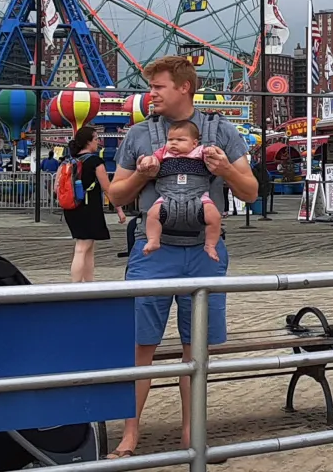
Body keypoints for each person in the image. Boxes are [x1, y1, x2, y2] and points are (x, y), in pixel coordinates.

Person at [107, 56, 257, 458]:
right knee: (141, 345)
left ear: (184, 87)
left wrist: (224, 169)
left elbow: (250, 192)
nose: (150, 94)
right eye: (151, 87)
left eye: (157, 87)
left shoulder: (221, 131)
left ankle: (193, 433)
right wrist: (142, 175)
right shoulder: (139, 134)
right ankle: (130, 434)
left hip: (205, 253)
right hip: (152, 250)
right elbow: (117, 196)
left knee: (197, 349)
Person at [143, 119, 222, 262]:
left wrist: (211, 151)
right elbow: (152, 158)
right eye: (170, 139)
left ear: (194, 143)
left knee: (214, 216)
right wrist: (147, 161)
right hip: (168, 196)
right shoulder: (163, 153)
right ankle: (153, 239)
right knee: (152, 214)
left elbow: (211, 156)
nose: (173, 143)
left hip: (199, 196)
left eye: (180, 140)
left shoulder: (199, 152)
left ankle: (210, 245)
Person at [62, 126, 125, 283]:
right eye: (96, 139)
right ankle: (75, 286)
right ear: (88, 142)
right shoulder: (95, 162)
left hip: (72, 207)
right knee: (82, 248)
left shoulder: (69, 161)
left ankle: (89, 283)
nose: (98, 142)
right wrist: (119, 210)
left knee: (88, 247)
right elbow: (108, 188)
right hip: (89, 208)